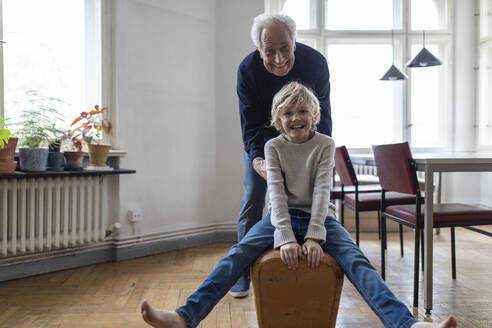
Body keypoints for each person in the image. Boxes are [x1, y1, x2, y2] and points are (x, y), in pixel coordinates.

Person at [141, 82, 457, 328]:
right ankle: (184, 317)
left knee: (357, 262)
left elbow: (322, 192)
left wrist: (315, 236)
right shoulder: (272, 146)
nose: (295, 118)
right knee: (237, 254)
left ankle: (407, 323)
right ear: (278, 120)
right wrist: (287, 238)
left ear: (314, 116)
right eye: (288, 113)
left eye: (302, 111)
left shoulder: (325, 145)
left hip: (322, 218)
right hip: (281, 217)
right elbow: (275, 194)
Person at [233, 12, 332, 297]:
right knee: (253, 198)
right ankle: (242, 274)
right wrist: (257, 159)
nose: (278, 59)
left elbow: (323, 117)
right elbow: (250, 124)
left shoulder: (316, 64)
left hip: (307, 141)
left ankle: (316, 261)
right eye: (269, 51)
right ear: (258, 49)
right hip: (264, 145)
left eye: (285, 48)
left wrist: (320, 152)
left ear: (294, 42)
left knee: (314, 195)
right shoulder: (247, 71)